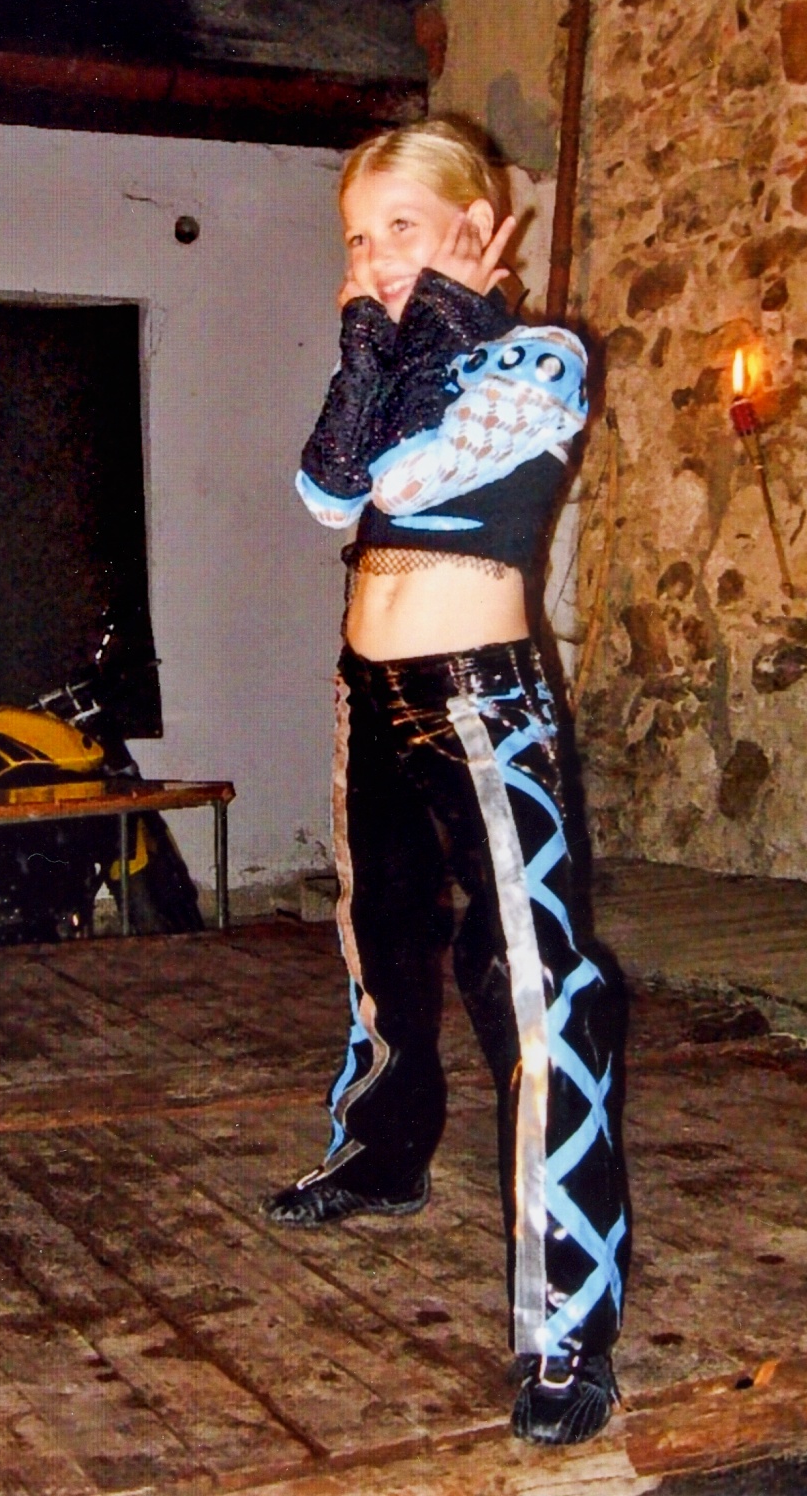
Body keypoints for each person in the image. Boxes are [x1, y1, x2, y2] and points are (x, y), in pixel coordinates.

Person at [268, 119, 630, 1447]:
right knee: (380, 938)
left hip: (481, 701)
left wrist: (419, 331)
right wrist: (373, 342)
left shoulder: (544, 356)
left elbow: (414, 470)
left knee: (533, 984)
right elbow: (326, 493)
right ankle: (383, 1154)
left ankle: (567, 1327)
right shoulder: (393, 354)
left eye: (404, 229)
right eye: (359, 238)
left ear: (481, 230)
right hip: (372, 691)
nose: (375, 259)